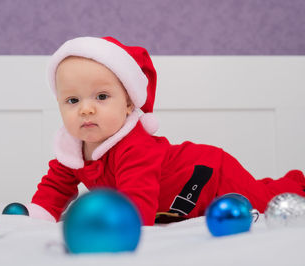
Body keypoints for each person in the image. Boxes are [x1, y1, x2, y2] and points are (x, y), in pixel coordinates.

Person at [29, 36, 305, 225]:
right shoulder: (72, 149)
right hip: (183, 200)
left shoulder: (134, 146)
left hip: (211, 176)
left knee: (265, 200)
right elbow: (54, 189)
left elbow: (138, 203)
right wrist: (38, 216)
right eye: (72, 100)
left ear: (128, 104)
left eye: (101, 97)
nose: (85, 109)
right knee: (260, 190)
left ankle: (296, 182)